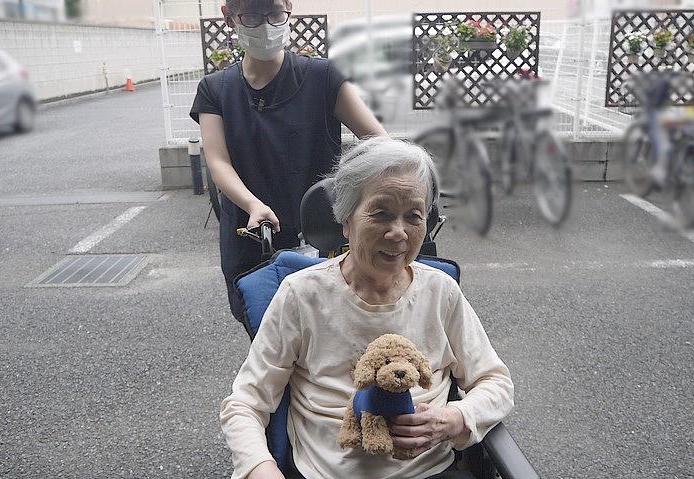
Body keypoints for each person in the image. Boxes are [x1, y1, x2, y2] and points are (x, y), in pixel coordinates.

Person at [220, 137, 515, 479]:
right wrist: (260, 468)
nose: (399, 233)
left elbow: (495, 382)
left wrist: (456, 417)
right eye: (381, 214)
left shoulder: (440, 292)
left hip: (430, 471)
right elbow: (245, 403)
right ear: (345, 221)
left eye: (414, 216)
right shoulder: (303, 295)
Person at [190, 0, 386, 317]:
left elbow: (378, 142)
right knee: (270, 340)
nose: (265, 25)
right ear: (230, 18)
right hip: (252, 235)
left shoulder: (323, 77)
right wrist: (252, 204)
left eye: (274, 13)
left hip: (326, 235)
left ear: (288, 9)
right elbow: (218, 162)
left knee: (335, 339)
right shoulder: (215, 90)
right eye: (251, 15)